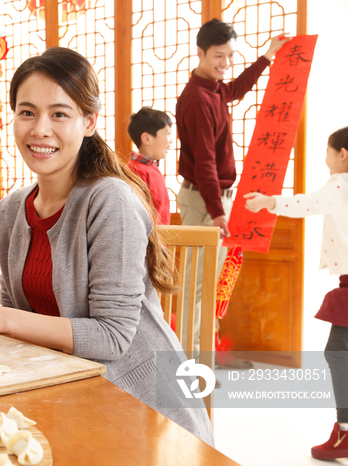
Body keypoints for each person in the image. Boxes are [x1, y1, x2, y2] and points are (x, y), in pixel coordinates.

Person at [0, 47, 214, 445]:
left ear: (89, 122)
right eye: (27, 112)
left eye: (59, 114)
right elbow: (18, 318)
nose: (40, 129)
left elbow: (112, 338)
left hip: (146, 408)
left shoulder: (111, 200)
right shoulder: (11, 210)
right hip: (71, 392)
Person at [176, 19, 289, 354]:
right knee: (197, 288)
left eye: (230, 56)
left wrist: (267, 57)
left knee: (206, 285)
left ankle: (201, 356)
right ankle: (189, 362)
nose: (225, 64)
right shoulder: (198, 99)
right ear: (200, 52)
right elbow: (206, 164)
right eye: (218, 56)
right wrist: (217, 212)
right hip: (203, 202)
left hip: (212, 200)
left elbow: (236, 90)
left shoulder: (213, 89)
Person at [245, 126, 348, 460]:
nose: (325, 159)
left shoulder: (340, 184)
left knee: (337, 353)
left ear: (342, 155)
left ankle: (345, 431)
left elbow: (308, 203)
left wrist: (268, 201)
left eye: (328, 152)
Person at [127, 107, 173, 225]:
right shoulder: (135, 171)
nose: (171, 141)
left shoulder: (151, 168)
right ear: (146, 138)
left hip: (161, 241)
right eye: (168, 133)